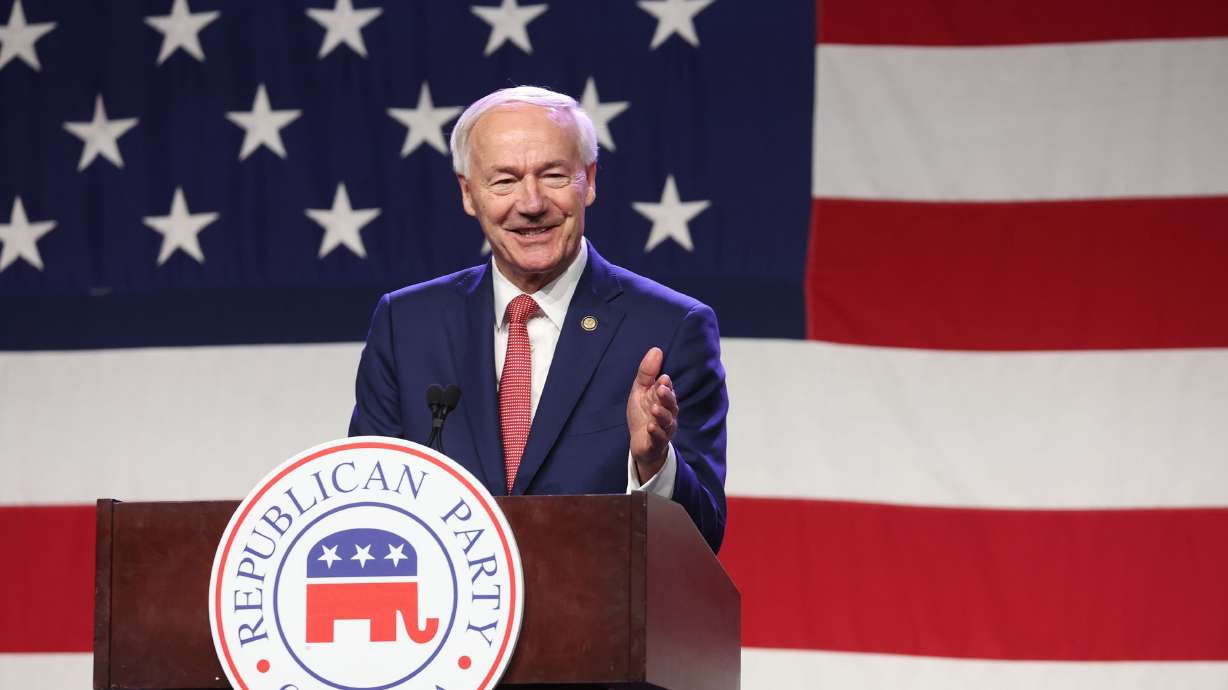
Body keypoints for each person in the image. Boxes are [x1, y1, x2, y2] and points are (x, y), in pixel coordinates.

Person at [349, 86, 728, 552]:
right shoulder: (405, 325)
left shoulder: (671, 328)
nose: (530, 203)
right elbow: (367, 508)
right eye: (504, 181)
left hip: (597, 598)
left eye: (552, 175)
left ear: (589, 180)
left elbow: (704, 538)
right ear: (468, 194)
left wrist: (653, 463)